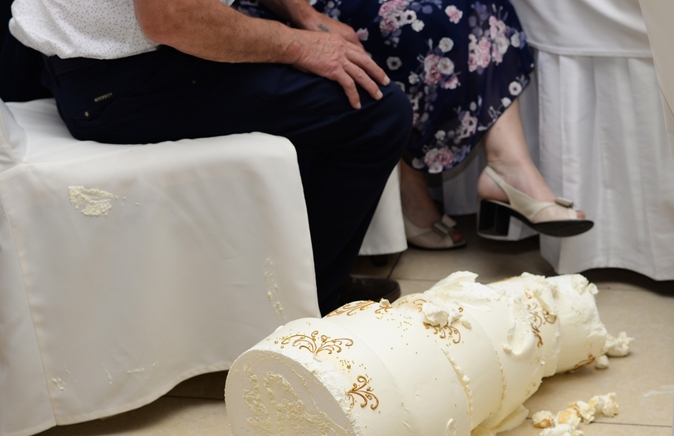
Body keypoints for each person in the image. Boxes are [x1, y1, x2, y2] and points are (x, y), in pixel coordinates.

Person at [8, 0, 413, 314]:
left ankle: (289, 279)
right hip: (121, 80)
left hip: (118, 59)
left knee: (336, 86)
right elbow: (172, 18)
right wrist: (296, 44)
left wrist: (304, 16)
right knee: (380, 114)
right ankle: (305, 301)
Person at [233, 0, 593, 250]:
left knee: (480, 4)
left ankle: (507, 165)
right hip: (283, 9)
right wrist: (307, 17)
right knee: (436, 17)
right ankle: (457, 181)